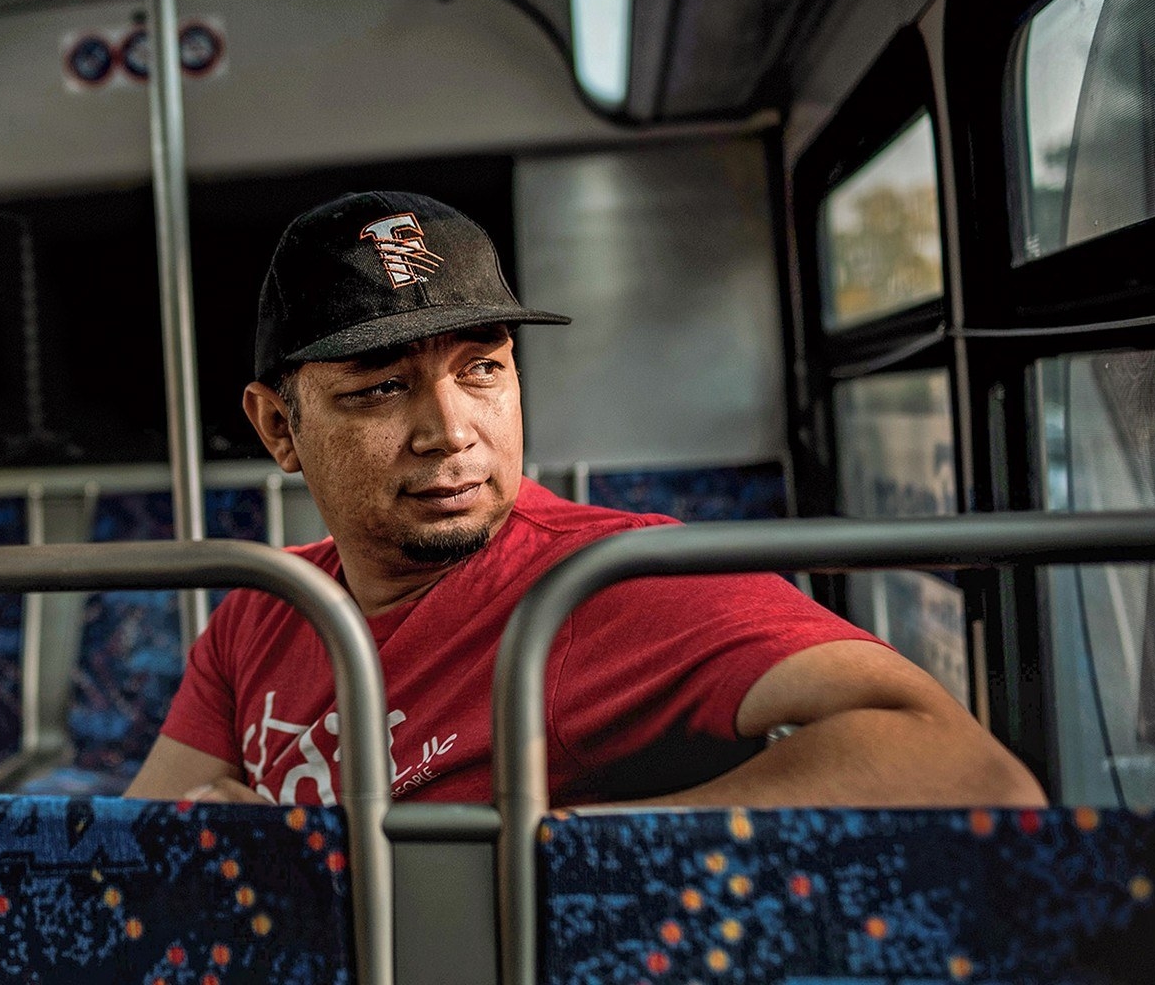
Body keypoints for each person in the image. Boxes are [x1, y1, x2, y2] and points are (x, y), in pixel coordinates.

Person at [125, 190, 1046, 809]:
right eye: (379, 388)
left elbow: (966, 770)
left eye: (481, 369)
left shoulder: (606, 583)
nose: (451, 431)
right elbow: (138, 853)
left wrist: (557, 854)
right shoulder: (264, 609)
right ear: (279, 428)